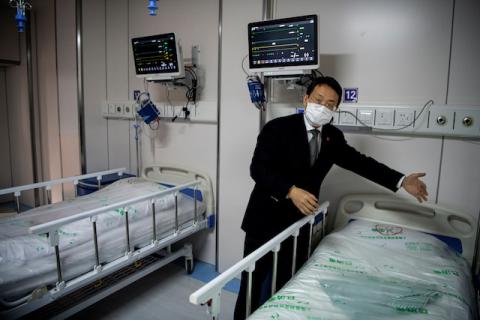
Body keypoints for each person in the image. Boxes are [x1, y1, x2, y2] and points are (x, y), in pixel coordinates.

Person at [233, 76, 428, 319]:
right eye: (319, 100)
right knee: (252, 281)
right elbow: (258, 170)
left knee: (287, 283)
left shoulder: (332, 137)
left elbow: (360, 163)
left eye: (330, 104)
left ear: (335, 109)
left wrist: (400, 181)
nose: (323, 107)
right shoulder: (277, 128)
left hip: (299, 223)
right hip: (265, 219)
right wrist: (291, 190)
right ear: (306, 100)